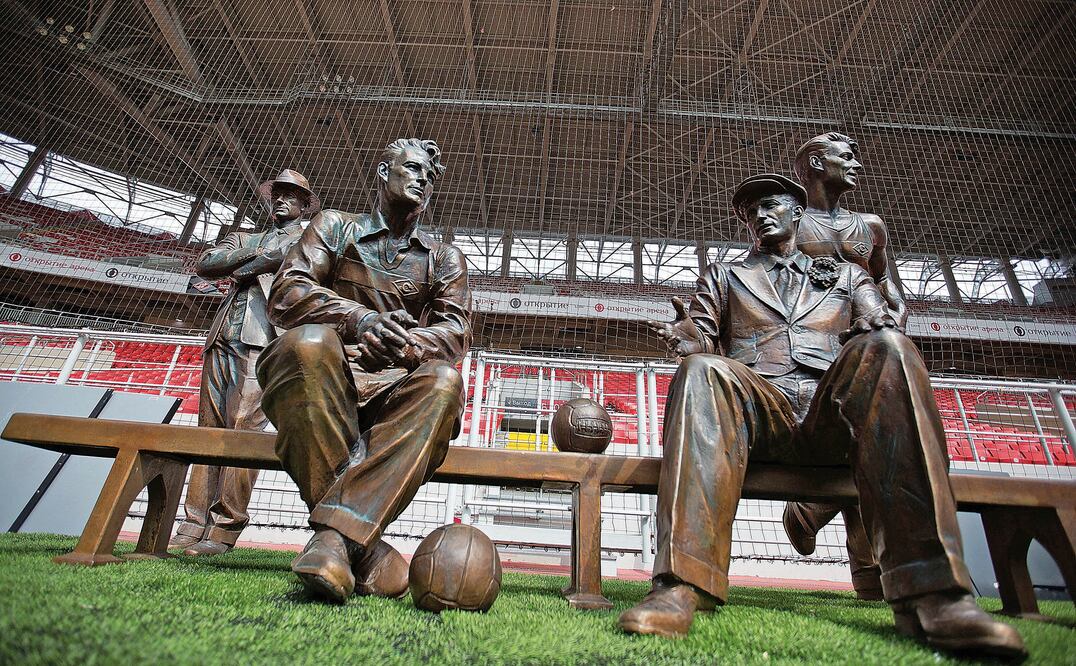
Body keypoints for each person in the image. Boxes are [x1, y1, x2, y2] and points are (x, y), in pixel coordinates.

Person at [618, 174, 1025, 660]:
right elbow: (701, 335)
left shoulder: (847, 276)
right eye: (751, 213)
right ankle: (681, 585)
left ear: (798, 212)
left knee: (890, 350)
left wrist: (881, 318)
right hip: (756, 409)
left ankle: (934, 592)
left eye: (770, 205)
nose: (760, 216)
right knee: (701, 370)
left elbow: (877, 320)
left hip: (829, 412)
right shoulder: (724, 276)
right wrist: (688, 339)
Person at [255, 138, 472, 603]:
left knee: (444, 382)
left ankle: (334, 541)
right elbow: (287, 293)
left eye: (430, 177)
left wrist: (402, 345)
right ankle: (362, 546)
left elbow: (455, 333)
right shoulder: (333, 226)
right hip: (324, 378)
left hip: (394, 389)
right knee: (308, 345)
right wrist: (362, 321)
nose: (422, 180)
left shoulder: (444, 256)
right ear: (382, 171)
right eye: (412, 168)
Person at [782, 133, 909, 599]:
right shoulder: (792, 223)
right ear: (817, 163)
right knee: (851, 440)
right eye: (846, 157)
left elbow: (887, 283)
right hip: (812, 351)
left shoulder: (870, 226)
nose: (856, 164)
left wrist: (893, 319)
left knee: (873, 440)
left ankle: (814, 514)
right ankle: (866, 571)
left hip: (867, 344)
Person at [169, 169, 317, 556]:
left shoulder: (309, 236)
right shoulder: (245, 237)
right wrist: (256, 257)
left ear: (304, 204)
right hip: (223, 336)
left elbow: (291, 262)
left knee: (244, 429)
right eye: (277, 194)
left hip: (265, 339)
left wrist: (246, 268)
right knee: (208, 429)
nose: (281, 200)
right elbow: (206, 262)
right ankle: (193, 521)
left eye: (291, 195)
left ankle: (224, 526)